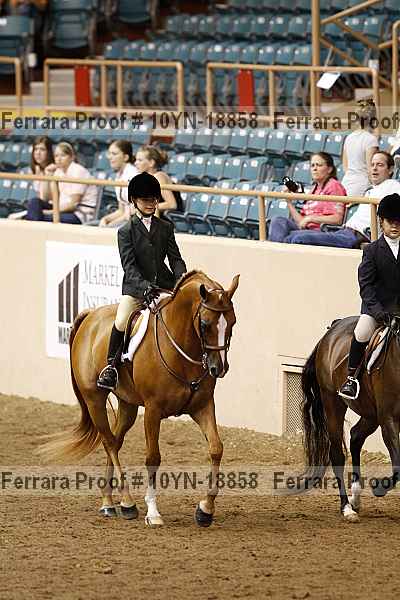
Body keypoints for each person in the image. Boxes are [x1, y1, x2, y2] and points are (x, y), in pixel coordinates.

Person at [97, 172, 187, 391]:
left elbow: (175, 259)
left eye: (154, 199)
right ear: (134, 200)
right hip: (137, 289)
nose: (151, 204)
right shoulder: (125, 232)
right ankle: (111, 367)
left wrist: (182, 278)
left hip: (164, 286)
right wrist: (145, 287)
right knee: (121, 320)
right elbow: (129, 267)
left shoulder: (165, 227)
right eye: (146, 200)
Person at [338, 193, 400, 401]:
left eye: (399, 222)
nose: (395, 225)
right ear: (381, 221)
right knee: (362, 332)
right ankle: (351, 378)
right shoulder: (372, 251)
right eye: (390, 221)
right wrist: (378, 312)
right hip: (377, 310)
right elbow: (366, 286)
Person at [285, 151, 400, 248]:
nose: (374, 168)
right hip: (344, 231)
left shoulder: (393, 186)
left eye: (380, 165)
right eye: (372, 164)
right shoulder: (371, 190)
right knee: (290, 236)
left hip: (358, 236)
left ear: (390, 169)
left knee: (298, 238)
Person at [268, 152, 347, 244]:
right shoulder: (314, 188)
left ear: (329, 169)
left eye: (319, 165)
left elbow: (338, 219)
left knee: (293, 237)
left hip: (322, 231)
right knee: (277, 221)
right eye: (312, 165)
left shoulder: (334, 186)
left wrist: (310, 218)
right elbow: (301, 222)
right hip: (306, 229)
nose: (314, 168)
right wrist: (288, 201)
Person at [25, 142, 97, 224]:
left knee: (39, 217)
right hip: (60, 208)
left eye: (62, 155)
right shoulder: (58, 172)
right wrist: (48, 176)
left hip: (78, 214)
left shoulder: (78, 171)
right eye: (56, 156)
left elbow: (73, 205)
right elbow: (46, 198)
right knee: (34, 202)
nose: (58, 159)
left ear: (72, 157)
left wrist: (51, 212)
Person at [8, 135, 54, 220]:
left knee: (34, 203)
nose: (38, 153)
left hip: (51, 208)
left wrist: (45, 176)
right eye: (36, 149)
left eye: (42, 149)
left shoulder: (53, 170)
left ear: (49, 152)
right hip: (36, 208)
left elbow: (44, 198)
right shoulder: (34, 170)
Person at [341, 99, 379, 197]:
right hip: (362, 186)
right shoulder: (371, 140)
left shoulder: (349, 138)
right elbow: (371, 169)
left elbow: (345, 167)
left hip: (345, 184)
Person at [99, 140, 138, 228]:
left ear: (125, 157)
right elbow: (121, 211)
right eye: (109, 153)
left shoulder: (134, 174)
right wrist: (105, 219)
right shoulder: (119, 175)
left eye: (114, 154)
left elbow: (134, 212)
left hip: (135, 222)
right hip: (125, 219)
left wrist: (110, 225)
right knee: (89, 226)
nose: (110, 157)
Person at [134, 145, 183, 216]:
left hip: (169, 217)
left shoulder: (159, 176)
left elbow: (172, 205)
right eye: (136, 160)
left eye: (140, 160)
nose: (135, 163)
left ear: (151, 163)